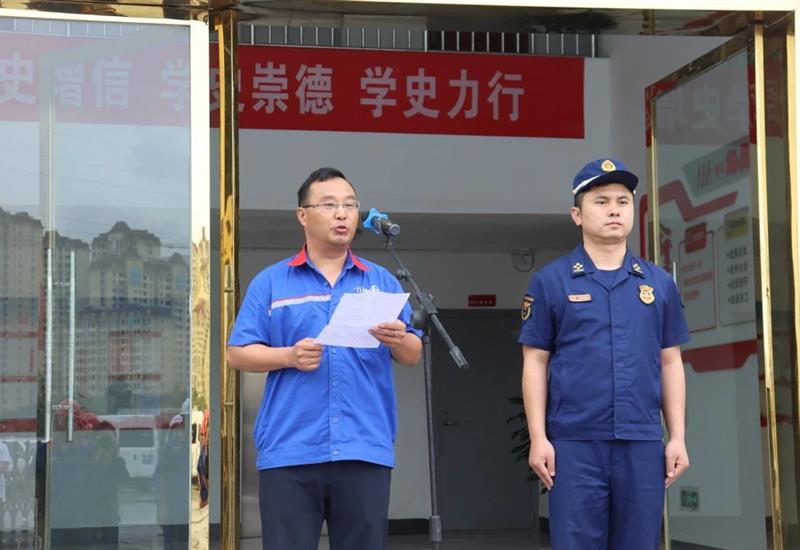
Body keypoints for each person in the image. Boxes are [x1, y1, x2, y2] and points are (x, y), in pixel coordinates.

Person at [226, 167, 423, 550]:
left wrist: (398, 340)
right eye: (329, 204)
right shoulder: (271, 282)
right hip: (290, 448)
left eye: (350, 205)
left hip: (364, 445)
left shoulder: (381, 279)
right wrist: (288, 355)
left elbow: (412, 354)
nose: (342, 214)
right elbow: (237, 353)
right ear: (303, 214)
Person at [519, 158, 690, 550]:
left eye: (623, 201)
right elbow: (535, 361)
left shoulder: (659, 284)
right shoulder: (551, 281)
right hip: (574, 442)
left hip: (642, 441)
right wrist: (538, 437)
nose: (614, 209)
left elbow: (670, 361)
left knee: (640, 542)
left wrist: (677, 437)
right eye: (601, 201)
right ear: (577, 214)